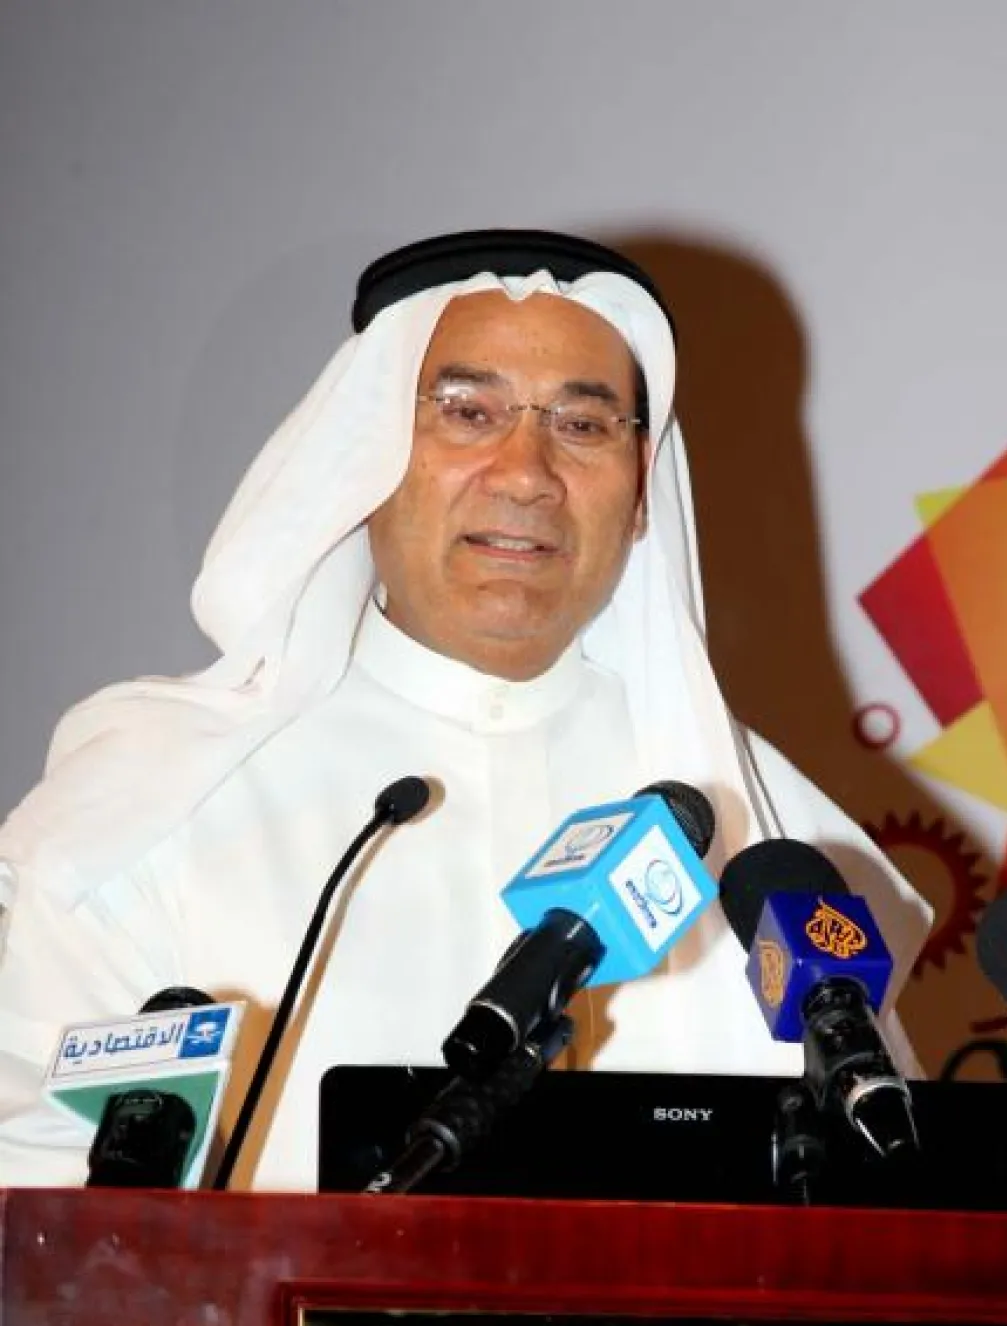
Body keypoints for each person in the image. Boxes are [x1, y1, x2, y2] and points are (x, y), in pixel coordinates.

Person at [0, 229, 931, 1191]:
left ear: (641, 489)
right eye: (468, 412)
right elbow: (38, 1207)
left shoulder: (768, 839)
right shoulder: (148, 808)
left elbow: (896, 1196)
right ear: (364, 457)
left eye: (583, 425)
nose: (525, 473)